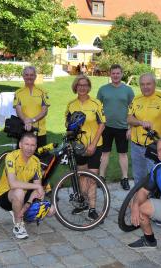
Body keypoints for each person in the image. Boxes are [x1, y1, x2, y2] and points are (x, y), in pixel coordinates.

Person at [0, 132, 54, 239]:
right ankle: (18, 225)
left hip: (23, 195)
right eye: (26, 144)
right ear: (20, 145)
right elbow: (13, 184)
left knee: (50, 211)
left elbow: (37, 190)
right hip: (5, 196)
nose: (29, 148)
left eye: (32, 145)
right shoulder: (11, 156)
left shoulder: (36, 161)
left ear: (36, 147)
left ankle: (21, 213)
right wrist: (37, 187)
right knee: (19, 191)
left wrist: (25, 207)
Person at [65, 75, 106, 220]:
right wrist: (71, 126)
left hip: (95, 145)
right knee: (82, 176)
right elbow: (68, 126)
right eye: (79, 85)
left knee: (92, 177)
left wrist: (93, 144)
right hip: (79, 146)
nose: (82, 87)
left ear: (89, 87)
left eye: (85, 85)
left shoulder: (96, 103)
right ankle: (83, 204)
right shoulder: (71, 105)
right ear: (75, 87)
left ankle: (92, 208)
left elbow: (102, 124)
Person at [127, 73, 161, 184]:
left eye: (148, 84)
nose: (145, 87)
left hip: (154, 145)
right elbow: (129, 118)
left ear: (154, 84)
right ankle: (139, 198)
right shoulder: (136, 99)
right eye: (142, 84)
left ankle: (154, 198)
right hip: (136, 145)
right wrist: (139, 122)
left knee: (155, 176)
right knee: (138, 176)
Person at [97, 64, 134, 190]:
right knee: (105, 153)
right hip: (106, 127)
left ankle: (124, 178)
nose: (116, 75)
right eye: (113, 73)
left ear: (122, 74)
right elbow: (97, 108)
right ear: (110, 74)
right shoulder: (103, 89)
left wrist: (131, 128)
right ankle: (101, 178)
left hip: (123, 127)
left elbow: (133, 110)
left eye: (118, 73)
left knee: (123, 154)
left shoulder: (128, 90)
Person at [14, 66, 50, 148]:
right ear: (23, 76)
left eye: (31, 75)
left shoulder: (43, 92)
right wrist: (26, 121)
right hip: (23, 130)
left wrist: (32, 120)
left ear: (35, 76)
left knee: (40, 159)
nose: (29, 77)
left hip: (39, 131)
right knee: (21, 158)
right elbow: (18, 109)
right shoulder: (18, 93)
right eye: (26, 75)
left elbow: (45, 110)